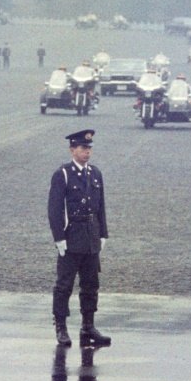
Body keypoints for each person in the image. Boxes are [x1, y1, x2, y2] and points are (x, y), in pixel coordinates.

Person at [48, 129, 111, 348]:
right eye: (83, 149)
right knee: (64, 285)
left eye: (89, 149)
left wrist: (103, 233)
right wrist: (59, 238)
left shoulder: (95, 174)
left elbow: (100, 206)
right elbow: (54, 209)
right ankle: (61, 326)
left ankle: (88, 326)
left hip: (91, 236)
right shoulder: (63, 174)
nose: (87, 153)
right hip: (72, 237)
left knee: (91, 284)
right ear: (72, 149)